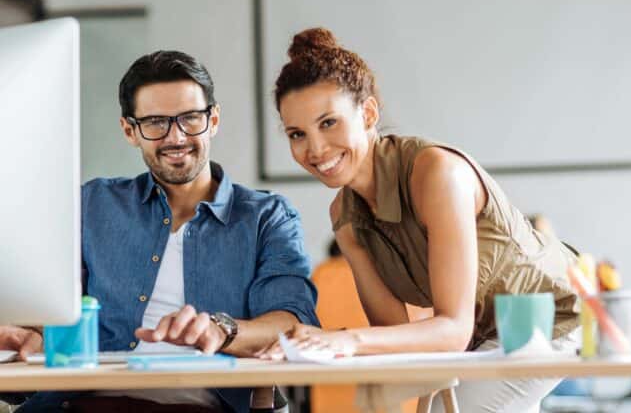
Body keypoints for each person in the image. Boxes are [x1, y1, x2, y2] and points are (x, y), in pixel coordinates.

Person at [261, 27, 580, 413]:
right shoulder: (345, 218)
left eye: (328, 123)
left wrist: (348, 341)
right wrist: (314, 345)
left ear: (368, 113)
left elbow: (452, 328)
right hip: (483, 339)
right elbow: (393, 339)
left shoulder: (436, 174)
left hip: (550, 319)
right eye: (297, 134)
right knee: (378, 397)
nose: (315, 149)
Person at [0, 50, 318, 413]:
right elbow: (52, 309)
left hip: (200, 405)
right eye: (155, 122)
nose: (176, 137)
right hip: (79, 402)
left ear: (213, 120)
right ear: (129, 130)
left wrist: (222, 329)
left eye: (190, 119)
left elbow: (293, 322)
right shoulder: (92, 204)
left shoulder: (266, 217)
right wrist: (29, 333)